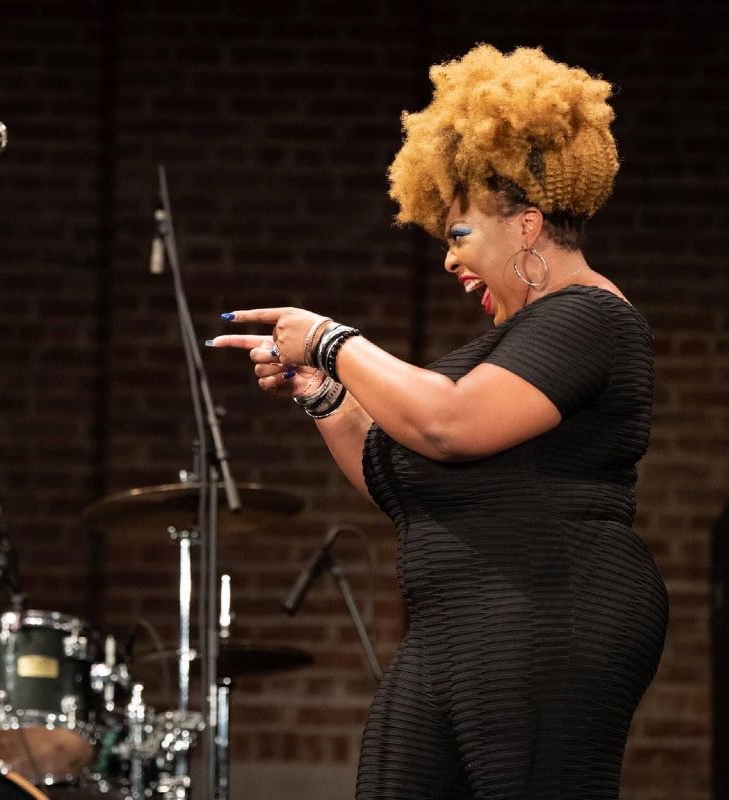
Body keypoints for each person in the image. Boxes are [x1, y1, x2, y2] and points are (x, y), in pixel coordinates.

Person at [209, 45, 668, 798]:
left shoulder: (591, 318)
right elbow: (397, 470)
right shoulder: (499, 350)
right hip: (455, 621)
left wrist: (330, 340)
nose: (450, 263)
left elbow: (446, 424)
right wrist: (322, 392)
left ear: (527, 226)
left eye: (459, 236)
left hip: (552, 606)